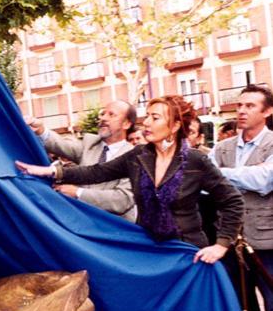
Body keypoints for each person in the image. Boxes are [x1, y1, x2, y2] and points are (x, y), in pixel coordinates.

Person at [17, 95, 244, 264]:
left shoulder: (196, 161)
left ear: (175, 126)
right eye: (147, 116)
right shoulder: (138, 156)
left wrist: (222, 245)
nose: (146, 123)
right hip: (149, 249)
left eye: (155, 118)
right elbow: (95, 172)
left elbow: (232, 201)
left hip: (189, 253)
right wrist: (49, 171)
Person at [209, 84, 273, 311]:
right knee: (237, 302)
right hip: (229, 240)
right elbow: (204, 184)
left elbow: (264, 180)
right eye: (240, 106)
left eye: (250, 106)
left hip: (266, 238)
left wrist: (220, 173)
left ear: (267, 111)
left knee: (272, 303)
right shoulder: (222, 147)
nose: (242, 111)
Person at [25, 100, 137, 222]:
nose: (103, 118)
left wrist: (78, 192)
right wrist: (41, 130)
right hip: (82, 223)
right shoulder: (90, 144)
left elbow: (121, 200)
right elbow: (61, 144)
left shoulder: (134, 157)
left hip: (116, 228)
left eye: (111, 114)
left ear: (126, 124)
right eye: (103, 113)